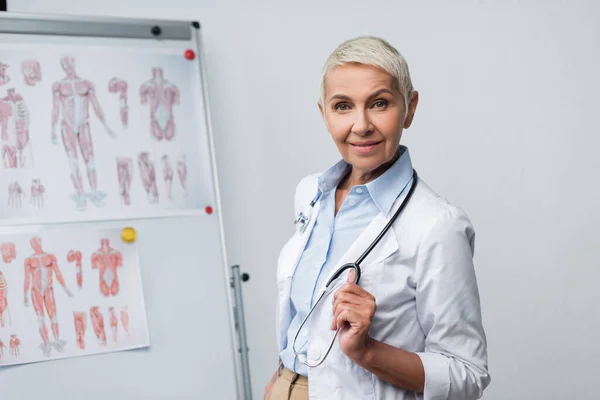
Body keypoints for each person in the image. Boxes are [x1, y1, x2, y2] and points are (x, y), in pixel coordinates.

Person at [265, 36, 491, 400]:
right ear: (323, 113)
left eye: (379, 103)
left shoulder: (437, 225)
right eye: (342, 106)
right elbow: (303, 316)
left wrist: (367, 351)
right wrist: (282, 383)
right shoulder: (310, 194)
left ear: (410, 107)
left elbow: (467, 374)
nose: (361, 125)